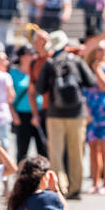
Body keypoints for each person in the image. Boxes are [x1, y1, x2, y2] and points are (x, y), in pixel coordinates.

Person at [36, 30, 95, 199]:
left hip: (55, 113)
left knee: (56, 153)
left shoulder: (49, 63)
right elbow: (91, 82)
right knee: (76, 152)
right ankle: (76, 187)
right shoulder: (77, 61)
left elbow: (40, 89)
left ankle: (60, 186)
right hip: (77, 113)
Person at [84, 41, 105, 194]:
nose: (101, 52)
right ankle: (95, 182)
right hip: (91, 112)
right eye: (98, 49)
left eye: (103, 50)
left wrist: (98, 71)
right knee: (93, 149)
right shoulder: (86, 68)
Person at [10, 45, 47, 162]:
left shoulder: (39, 70)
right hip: (22, 114)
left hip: (39, 113)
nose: (32, 56)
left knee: (43, 148)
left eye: (33, 54)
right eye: (29, 54)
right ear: (21, 57)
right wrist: (13, 114)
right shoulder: (13, 73)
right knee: (22, 150)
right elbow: (8, 97)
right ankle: (20, 176)